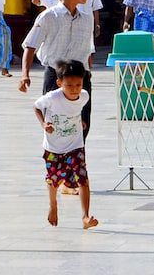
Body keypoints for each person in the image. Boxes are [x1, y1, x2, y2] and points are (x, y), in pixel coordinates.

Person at [20, 0, 96, 139]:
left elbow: (87, 49)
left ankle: (78, 164)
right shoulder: (48, 17)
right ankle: (57, 163)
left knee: (82, 126)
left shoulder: (87, 19)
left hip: (80, 79)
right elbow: (30, 45)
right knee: (55, 126)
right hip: (56, 77)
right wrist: (25, 75)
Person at [34, 60, 97, 229]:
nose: (74, 89)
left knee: (83, 178)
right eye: (69, 85)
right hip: (53, 147)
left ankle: (85, 216)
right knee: (53, 180)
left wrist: (80, 121)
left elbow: (76, 109)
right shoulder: (53, 97)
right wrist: (43, 125)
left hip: (75, 145)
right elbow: (36, 106)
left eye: (78, 84)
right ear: (59, 83)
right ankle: (53, 205)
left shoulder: (84, 96)